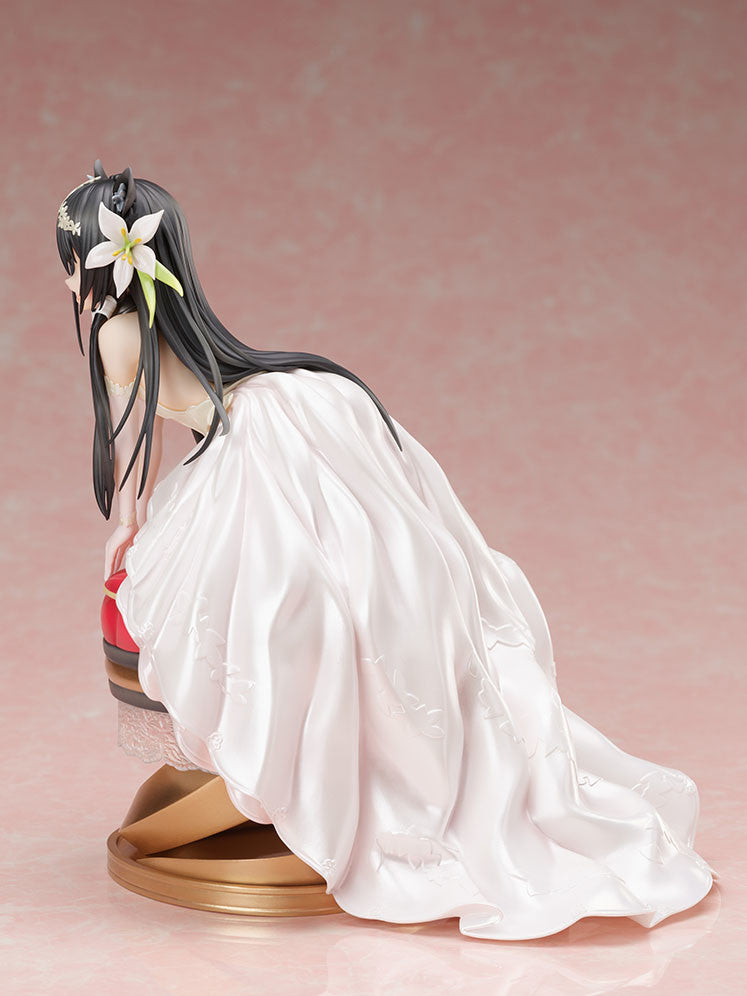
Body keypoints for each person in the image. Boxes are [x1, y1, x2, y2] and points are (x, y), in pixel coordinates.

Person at [56, 162, 715, 940]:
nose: (67, 279)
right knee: (375, 568)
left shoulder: (116, 331)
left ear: (101, 264)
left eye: (70, 260)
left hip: (261, 437)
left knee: (287, 588)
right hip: (295, 406)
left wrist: (128, 522)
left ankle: (317, 764)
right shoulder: (160, 321)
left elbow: (133, 439)